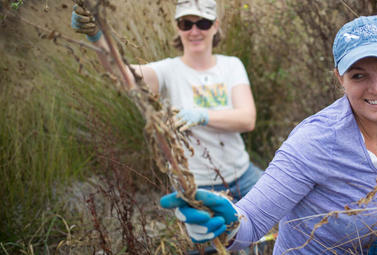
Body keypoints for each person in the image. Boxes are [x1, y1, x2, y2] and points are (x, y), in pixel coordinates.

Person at [160, 15, 377, 254]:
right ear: (339, 80)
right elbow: (250, 224)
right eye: (358, 75)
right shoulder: (315, 143)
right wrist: (226, 225)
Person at [71, 0, 263, 201]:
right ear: (178, 27)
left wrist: (202, 116)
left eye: (203, 23)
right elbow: (123, 74)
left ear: (215, 26)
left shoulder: (231, 65)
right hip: (198, 184)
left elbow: (247, 119)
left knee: (282, 217)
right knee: (219, 232)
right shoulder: (167, 71)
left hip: (244, 175)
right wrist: (96, 37)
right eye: (186, 24)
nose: (194, 31)